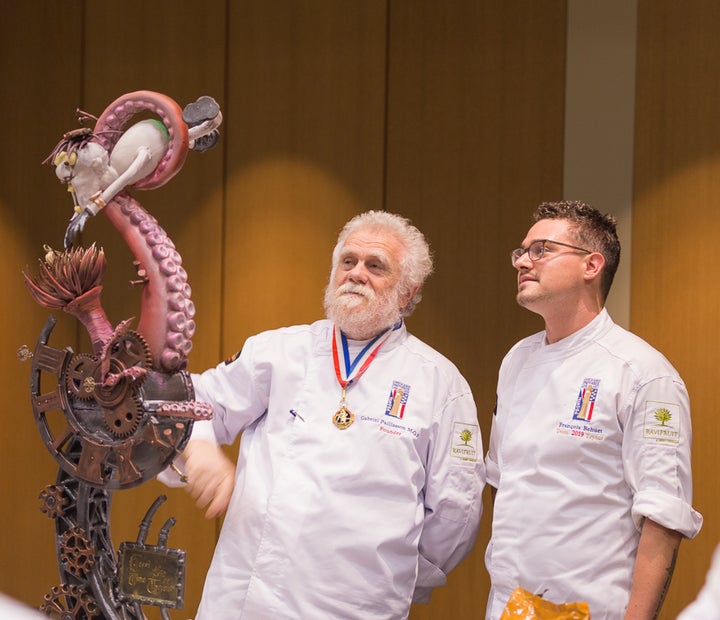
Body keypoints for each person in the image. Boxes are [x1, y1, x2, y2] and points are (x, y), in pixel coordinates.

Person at [162, 210, 485, 619]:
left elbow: (456, 513)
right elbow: (188, 404)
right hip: (244, 598)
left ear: (408, 292)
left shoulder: (440, 384)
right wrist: (200, 449)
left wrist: (388, 572)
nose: (356, 274)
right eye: (347, 261)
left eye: (375, 266)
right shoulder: (278, 351)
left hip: (356, 605)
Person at [484, 201, 702, 619]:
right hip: (509, 604)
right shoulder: (516, 359)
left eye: (541, 250)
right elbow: (503, 481)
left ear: (591, 265)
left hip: (591, 607)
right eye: (522, 251)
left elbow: (663, 518)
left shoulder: (642, 373)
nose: (523, 262)